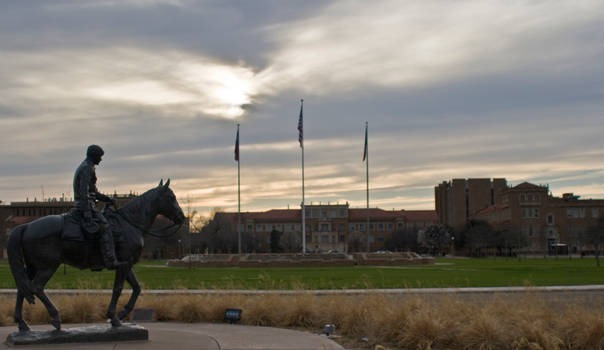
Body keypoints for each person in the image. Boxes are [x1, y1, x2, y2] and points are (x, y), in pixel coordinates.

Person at [73, 145, 126, 269]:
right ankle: (110, 260)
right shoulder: (87, 168)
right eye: (100, 157)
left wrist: (109, 200)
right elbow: (83, 192)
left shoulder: (87, 166)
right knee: (105, 225)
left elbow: (94, 193)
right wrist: (87, 213)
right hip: (85, 205)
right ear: (94, 156)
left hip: (87, 204)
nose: (101, 160)